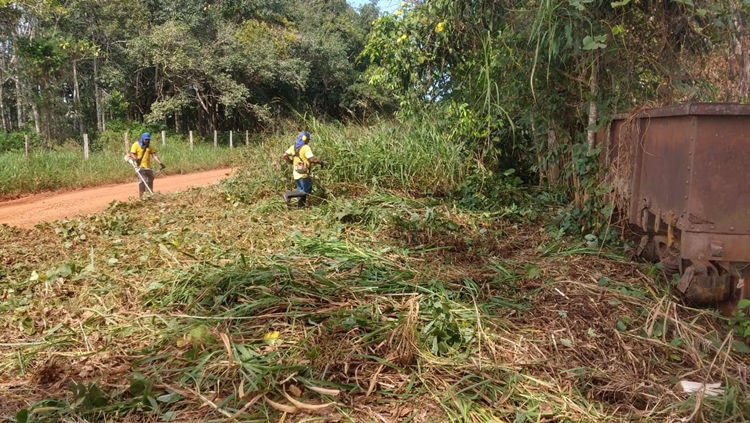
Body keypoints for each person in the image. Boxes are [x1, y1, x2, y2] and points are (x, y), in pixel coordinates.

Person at [281, 131, 324, 207]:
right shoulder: (305, 147)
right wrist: (320, 162)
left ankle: (301, 207)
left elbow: (284, 155)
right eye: (308, 139)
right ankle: (287, 194)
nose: (309, 141)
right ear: (305, 139)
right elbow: (312, 159)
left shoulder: (293, 147)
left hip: (296, 173)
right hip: (303, 173)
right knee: (306, 192)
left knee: (300, 191)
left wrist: (291, 162)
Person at [127, 132, 165, 198]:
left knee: (150, 179)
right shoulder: (136, 145)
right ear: (142, 139)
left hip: (148, 167)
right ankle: (141, 197)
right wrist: (136, 159)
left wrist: (160, 163)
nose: (147, 141)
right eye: (145, 139)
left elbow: (154, 156)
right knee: (142, 180)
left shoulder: (150, 147)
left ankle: (149, 194)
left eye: (148, 140)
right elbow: (132, 154)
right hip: (140, 167)